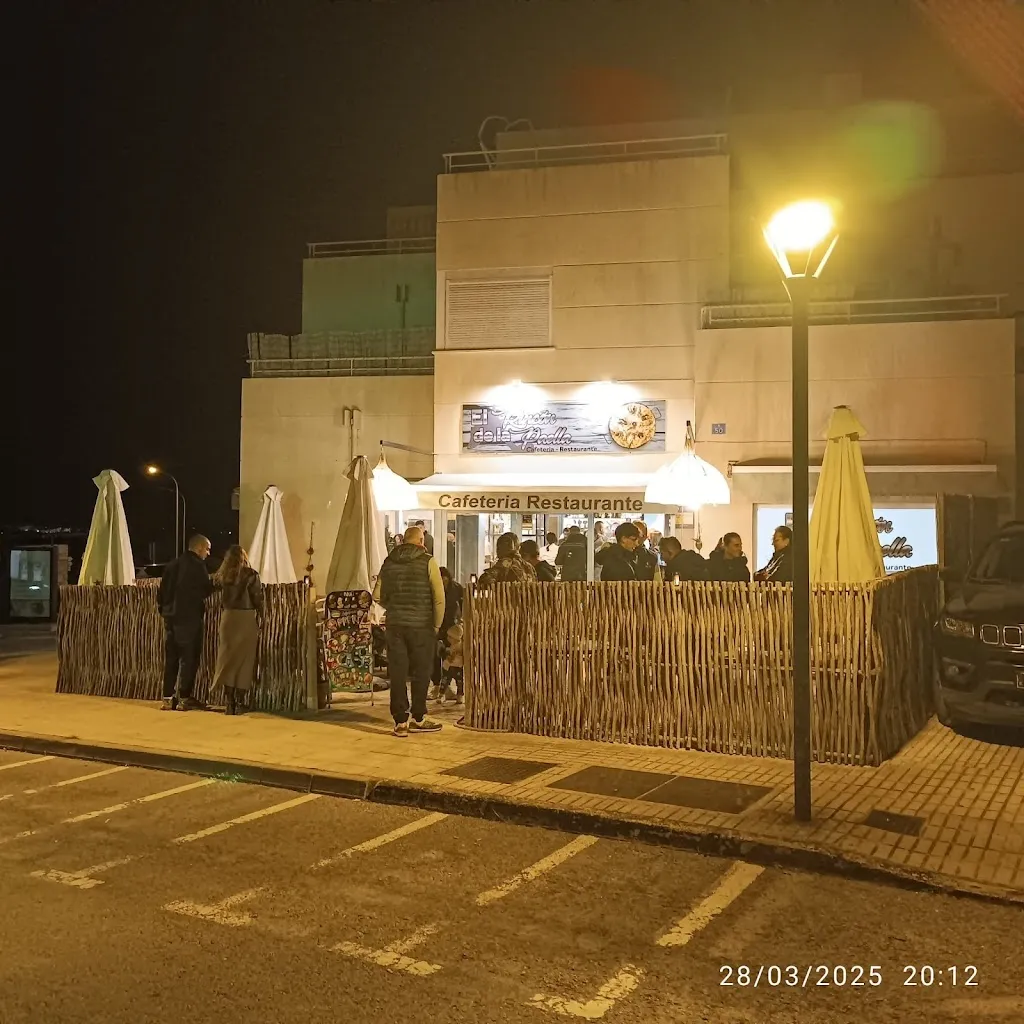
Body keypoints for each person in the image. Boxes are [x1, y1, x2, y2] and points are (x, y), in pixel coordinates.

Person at [372, 525, 444, 737]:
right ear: (421, 540)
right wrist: (437, 625)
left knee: (398, 672)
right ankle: (418, 718)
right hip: (421, 626)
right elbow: (439, 598)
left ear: (403, 540)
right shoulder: (428, 561)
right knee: (421, 672)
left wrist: (393, 606)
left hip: (395, 625)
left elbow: (377, 595)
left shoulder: (389, 562)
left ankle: (400, 722)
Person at [158, 534, 214, 711]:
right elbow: (205, 589)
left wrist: (165, 611)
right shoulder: (197, 565)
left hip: (171, 619)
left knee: (172, 659)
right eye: (207, 549)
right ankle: (184, 698)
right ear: (199, 548)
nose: (208, 553)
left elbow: (161, 592)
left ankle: (167, 698)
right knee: (189, 659)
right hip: (189, 619)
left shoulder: (172, 564)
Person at [212, 544, 264, 716]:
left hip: (228, 618)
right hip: (246, 617)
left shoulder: (223, 576)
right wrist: (262, 613)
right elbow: (257, 597)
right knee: (244, 660)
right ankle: (240, 702)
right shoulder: (251, 575)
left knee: (228, 659)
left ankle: (229, 702)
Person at [430, 566, 464, 699]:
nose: (443, 582)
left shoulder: (456, 589)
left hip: (451, 628)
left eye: (444, 579)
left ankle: (447, 687)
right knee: (435, 656)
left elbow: (462, 605)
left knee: (450, 657)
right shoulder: (432, 589)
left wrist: (461, 622)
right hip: (436, 626)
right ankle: (438, 685)